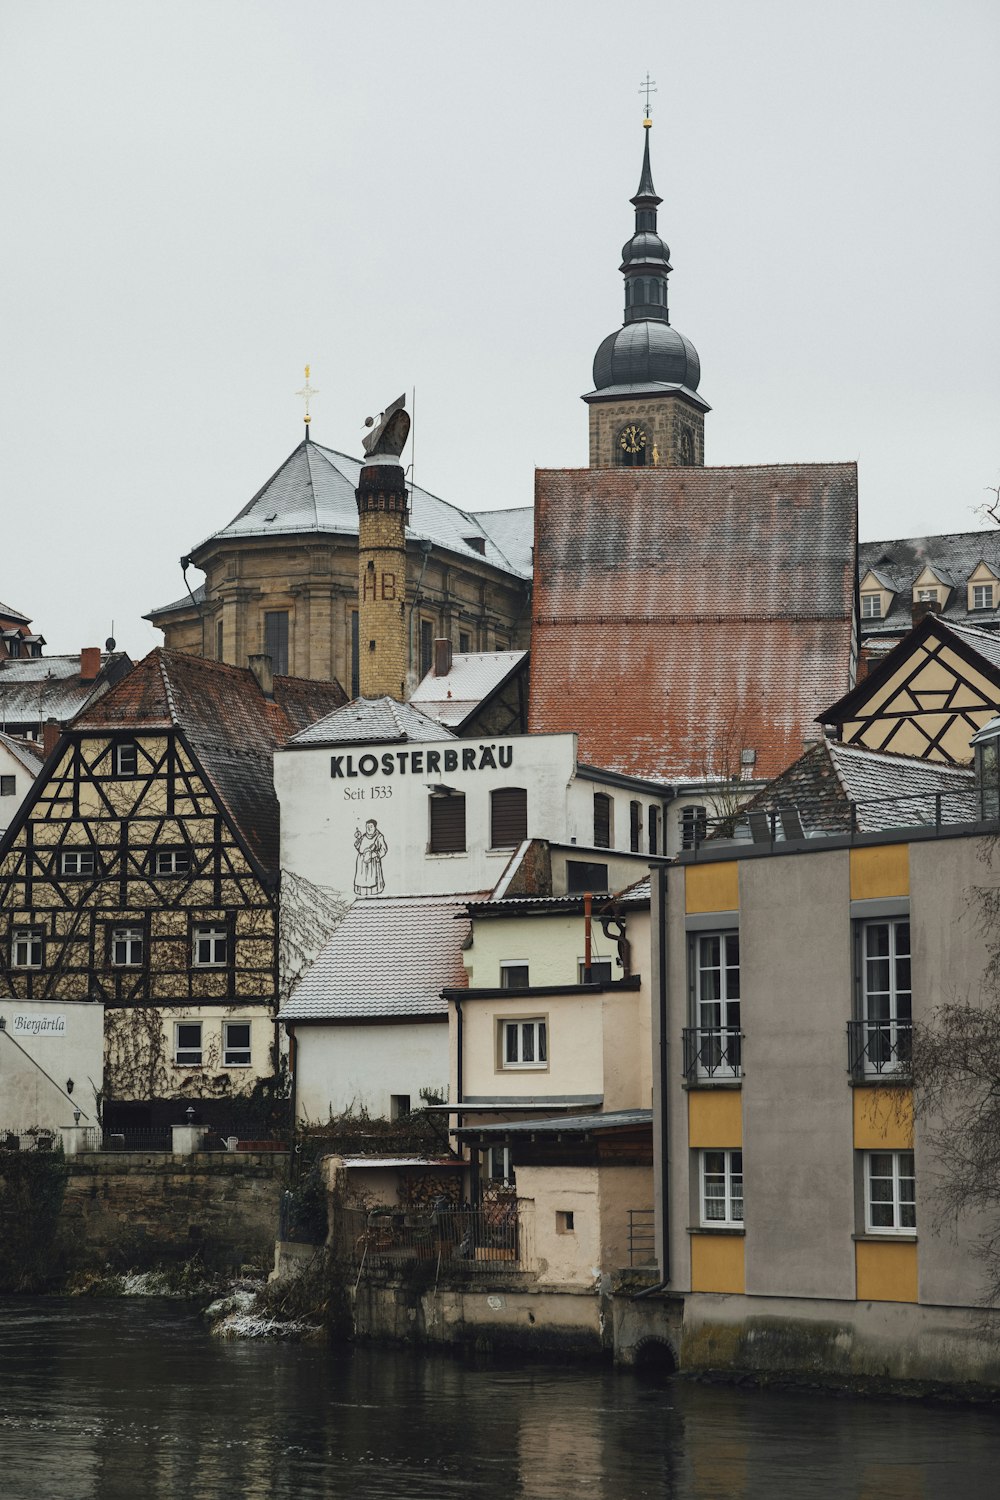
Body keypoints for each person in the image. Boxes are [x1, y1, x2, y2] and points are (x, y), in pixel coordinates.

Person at [353, 818, 387, 896]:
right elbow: (358, 847)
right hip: (362, 864)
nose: (369, 828)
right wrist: (358, 839)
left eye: (371, 826)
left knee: (372, 884)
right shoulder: (363, 836)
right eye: (367, 826)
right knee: (362, 881)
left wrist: (374, 854)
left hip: (373, 863)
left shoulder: (379, 837)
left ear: (375, 827)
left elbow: (384, 849)